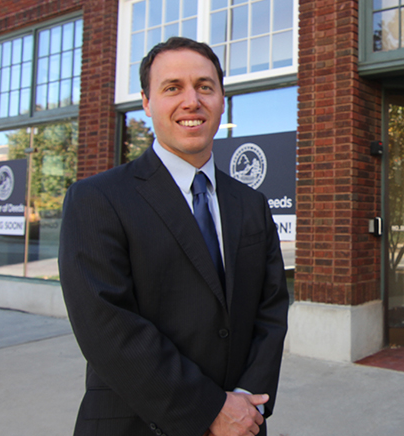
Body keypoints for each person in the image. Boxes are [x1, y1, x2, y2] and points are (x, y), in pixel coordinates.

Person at [59, 37, 289, 436]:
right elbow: (107, 326)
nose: (191, 101)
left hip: (242, 424)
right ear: (147, 104)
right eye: (172, 88)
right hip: (137, 423)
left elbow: (271, 311)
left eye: (205, 86)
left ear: (221, 100)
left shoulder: (251, 203)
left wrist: (247, 402)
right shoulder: (96, 199)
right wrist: (211, 410)